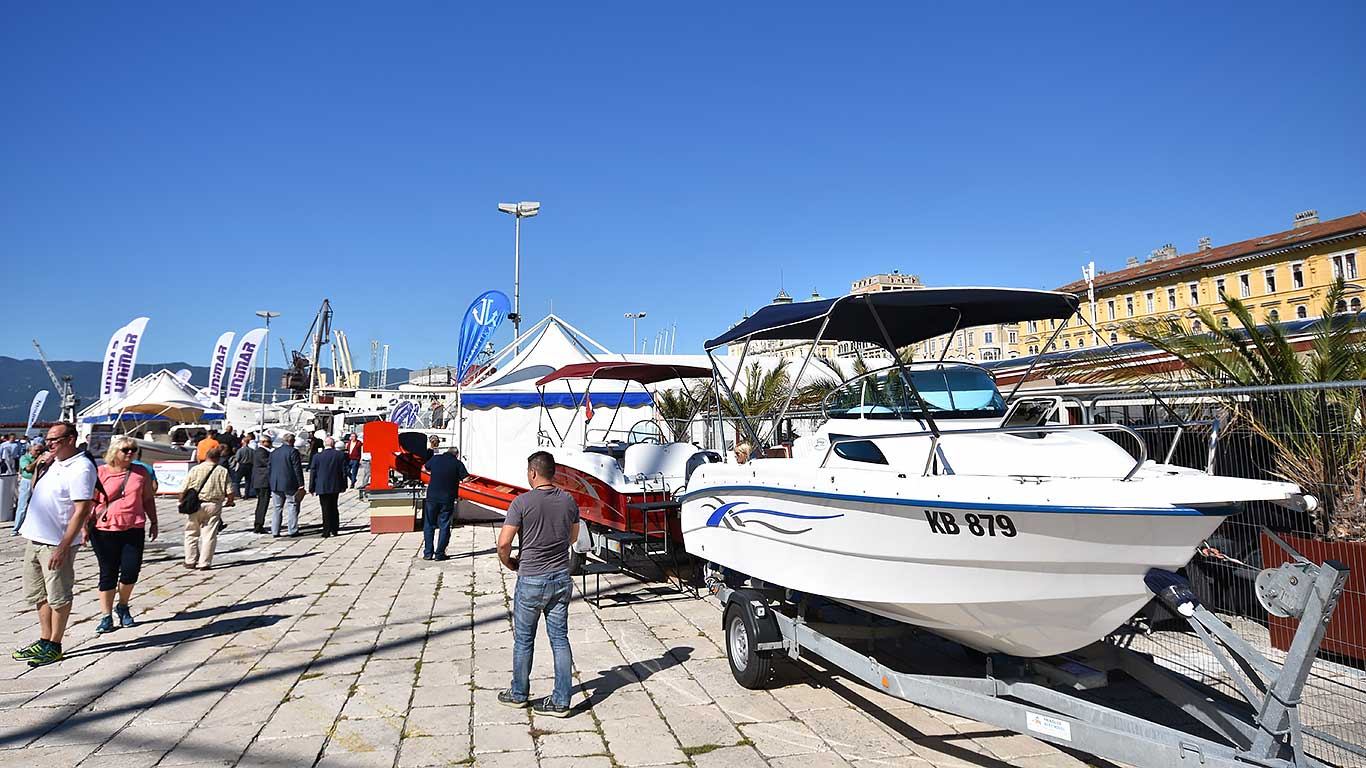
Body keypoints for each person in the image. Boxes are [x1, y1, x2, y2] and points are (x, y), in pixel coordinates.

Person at [497, 451, 579, 717]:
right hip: (560, 576)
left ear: (532, 472)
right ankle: (561, 700)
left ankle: (519, 693)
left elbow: (504, 542)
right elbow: (573, 536)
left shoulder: (521, 503)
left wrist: (509, 562)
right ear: (552, 472)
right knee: (559, 639)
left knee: (523, 640)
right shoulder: (568, 500)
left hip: (531, 577)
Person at [14, 422, 96, 668]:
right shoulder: (55, 462)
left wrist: (64, 546)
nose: (48, 443)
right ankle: (44, 639)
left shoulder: (81, 467)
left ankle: (56, 644)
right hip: (35, 537)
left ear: (70, 439)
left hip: (55, 541)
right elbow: (37, 491)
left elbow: (82, 510)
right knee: (39, 594)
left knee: (58, 595)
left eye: (54, 439)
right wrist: (41, 466)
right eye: (47, 439)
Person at [90, 436, 158, 632]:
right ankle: (106, 615)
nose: (130, 453)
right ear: (114, 452)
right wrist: (84, 527)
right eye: (125, 450)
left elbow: (147, 498)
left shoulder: (141, 472)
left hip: (133, 527)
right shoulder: (100, 472)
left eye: (133, 449)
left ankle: (123, 605)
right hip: (104, 529)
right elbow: (91, 501)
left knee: (130, 571)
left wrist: (154, 521)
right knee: (108, 572)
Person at [181, 445, 233, 570]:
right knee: (209, 535)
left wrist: (181, 501)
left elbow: (184, 488)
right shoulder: (222, 471)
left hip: (195, 504)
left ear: (206, 456)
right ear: (218, 458)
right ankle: (204, 562)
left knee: (191, 533)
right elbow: (230, 491)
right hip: (213, 504)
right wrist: (230, 501)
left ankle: (190, 560)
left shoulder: (195, 469)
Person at [422, 446, 467, 560]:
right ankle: (440, 554)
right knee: (444, 525)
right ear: (456, 454)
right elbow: (466, 479)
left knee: (429, 525)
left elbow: (425, 468)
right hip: (447, 498)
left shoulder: (435, 458)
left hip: (432, 497)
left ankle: (428, 553)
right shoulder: (457, 463)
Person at [309, 437, 348, 537]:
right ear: (333, 444)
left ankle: (326, 530)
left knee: (325, 508)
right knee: (334, 507)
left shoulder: (317, 456)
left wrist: (311, 487)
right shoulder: (340, 455)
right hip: (335, 484)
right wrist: (344, 485)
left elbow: (313, 472)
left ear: (324, 445)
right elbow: (344, 471)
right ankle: (334, 529)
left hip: (322, 485)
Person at [268, 432, 305, 537]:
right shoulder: (293, 452)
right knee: (292, 506)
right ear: (291, 441)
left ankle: (275, 531)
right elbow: (297, 468)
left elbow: (269, 468)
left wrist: (271, 481)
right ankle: (292, 529)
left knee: (277, 508)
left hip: (276, 484)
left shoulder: (274, 452)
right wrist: (301, 483)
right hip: (289, 483)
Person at [14, 440, 43, 537]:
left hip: (38, 482)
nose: (38, 453)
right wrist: (37, 460)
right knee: (22, 506)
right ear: (31, 448)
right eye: (36, 450)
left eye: (40, 451)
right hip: (26, 481)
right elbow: (28, 468)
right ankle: (16, 528)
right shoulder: (24, 458)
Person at [251, 435, 274, 533]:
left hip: (261, 481)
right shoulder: (261, 452)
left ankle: (259, 523)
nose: (270, 443)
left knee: (262, 503)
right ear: (262, 442)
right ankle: (259, 525)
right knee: (262, 504)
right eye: (268, 442)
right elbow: (268, 464)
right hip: (262, 481)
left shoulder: (263, 452)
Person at [234, 434, 256, 499]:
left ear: (243, 442)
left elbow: (237, 459)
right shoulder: (252, 450)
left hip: (242, 465)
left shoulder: (240, 450)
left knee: (237, 480)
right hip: (250, 466)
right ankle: (247, 494)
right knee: (248, 481)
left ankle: (238, 494)